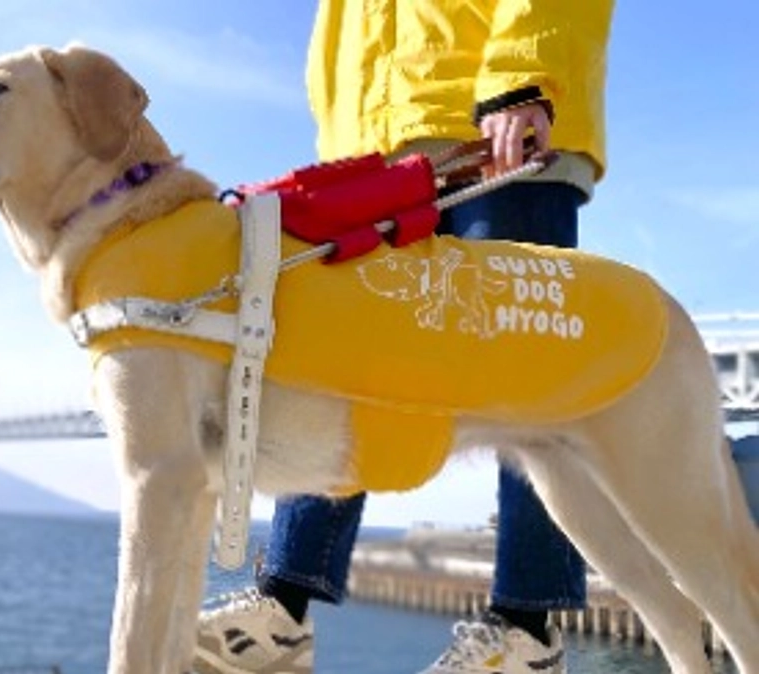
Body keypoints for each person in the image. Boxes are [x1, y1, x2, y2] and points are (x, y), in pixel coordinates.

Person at [193, 1, 615, 673]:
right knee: (336, 368)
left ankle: (526, 631)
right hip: (373, 154)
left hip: (493, 127)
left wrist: (525, 76)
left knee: (523, 384)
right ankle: (281, 615)